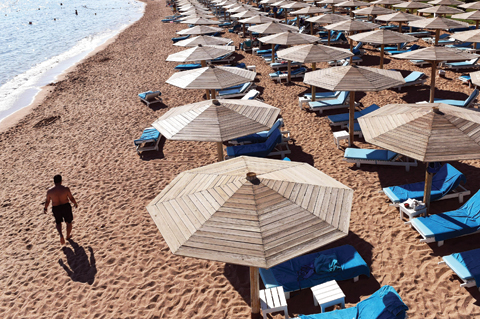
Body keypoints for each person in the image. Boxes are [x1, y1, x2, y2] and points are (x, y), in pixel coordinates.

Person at [44, 175, 78, 245]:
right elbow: (71, 198)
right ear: (61, 181)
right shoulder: (65, 189)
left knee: (58, 222)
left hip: (56, 208)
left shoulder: (50, 191)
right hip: (65, 206)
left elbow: (47, 201)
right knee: (69, 222)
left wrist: (45, 208)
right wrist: (75, 203)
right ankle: (68, 236)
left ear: (54, 182)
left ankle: (61, 235)